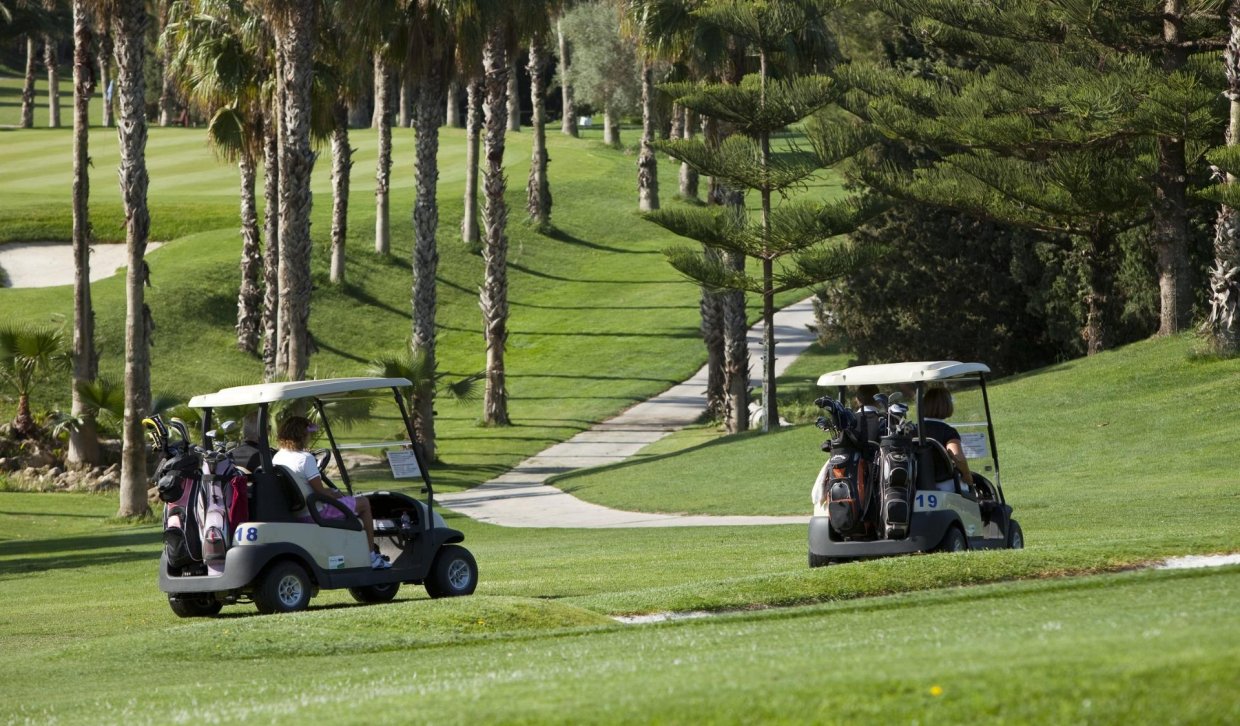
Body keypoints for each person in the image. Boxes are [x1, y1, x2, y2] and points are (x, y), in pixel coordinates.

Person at [273, 416, 390, 569]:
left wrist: (333, 492)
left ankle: (357, 549)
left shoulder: (277, 457)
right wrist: (337, 494)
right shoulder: (305, 459)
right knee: (364, 504)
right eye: (309, 435)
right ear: (302, 435)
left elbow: (310, 487)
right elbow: (321, 492)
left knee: (345, 499)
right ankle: (371, 556)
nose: (310, 438)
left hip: (298, 512)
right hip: (316, 512)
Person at [920, 386, 973, 487]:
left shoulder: (913, 429)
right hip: (944, 484)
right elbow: (957, 456)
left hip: (917, 486)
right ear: (947, 405)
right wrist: (967, 475)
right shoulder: (947, 431)